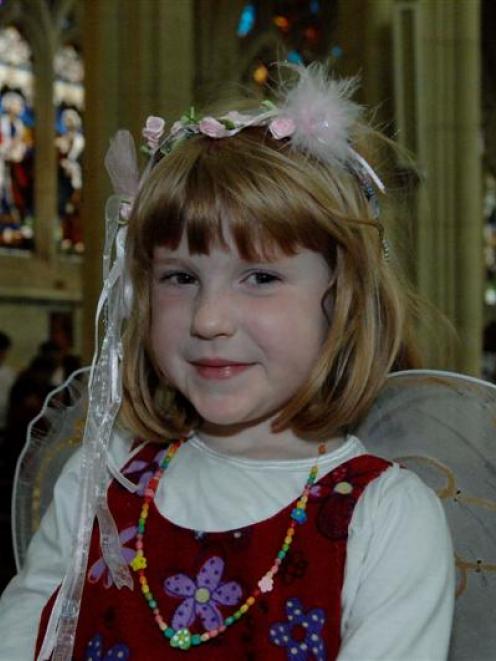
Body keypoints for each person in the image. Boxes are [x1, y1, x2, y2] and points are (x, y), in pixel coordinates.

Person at [0, 65, 454, 660]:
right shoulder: (103, 477)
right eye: (181, 277)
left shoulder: (385, 518)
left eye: (260, 277)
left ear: (341, 298)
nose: (209, 318)